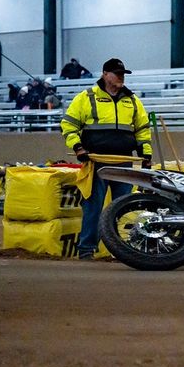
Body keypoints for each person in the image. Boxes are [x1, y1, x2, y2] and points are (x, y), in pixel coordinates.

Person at [60, 58, 152, 261]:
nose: (121, 77)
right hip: (96, 162)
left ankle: (118, 251)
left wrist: (145, 154)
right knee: (93, 208)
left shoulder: (132, 100)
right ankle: (86, 250)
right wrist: (78, 147)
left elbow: (142, 130)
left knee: (122, 209)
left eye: (123, 74)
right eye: (117, 73)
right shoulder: (86, 97)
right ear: (104, 74)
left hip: (124, 163)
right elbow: (68, 124)